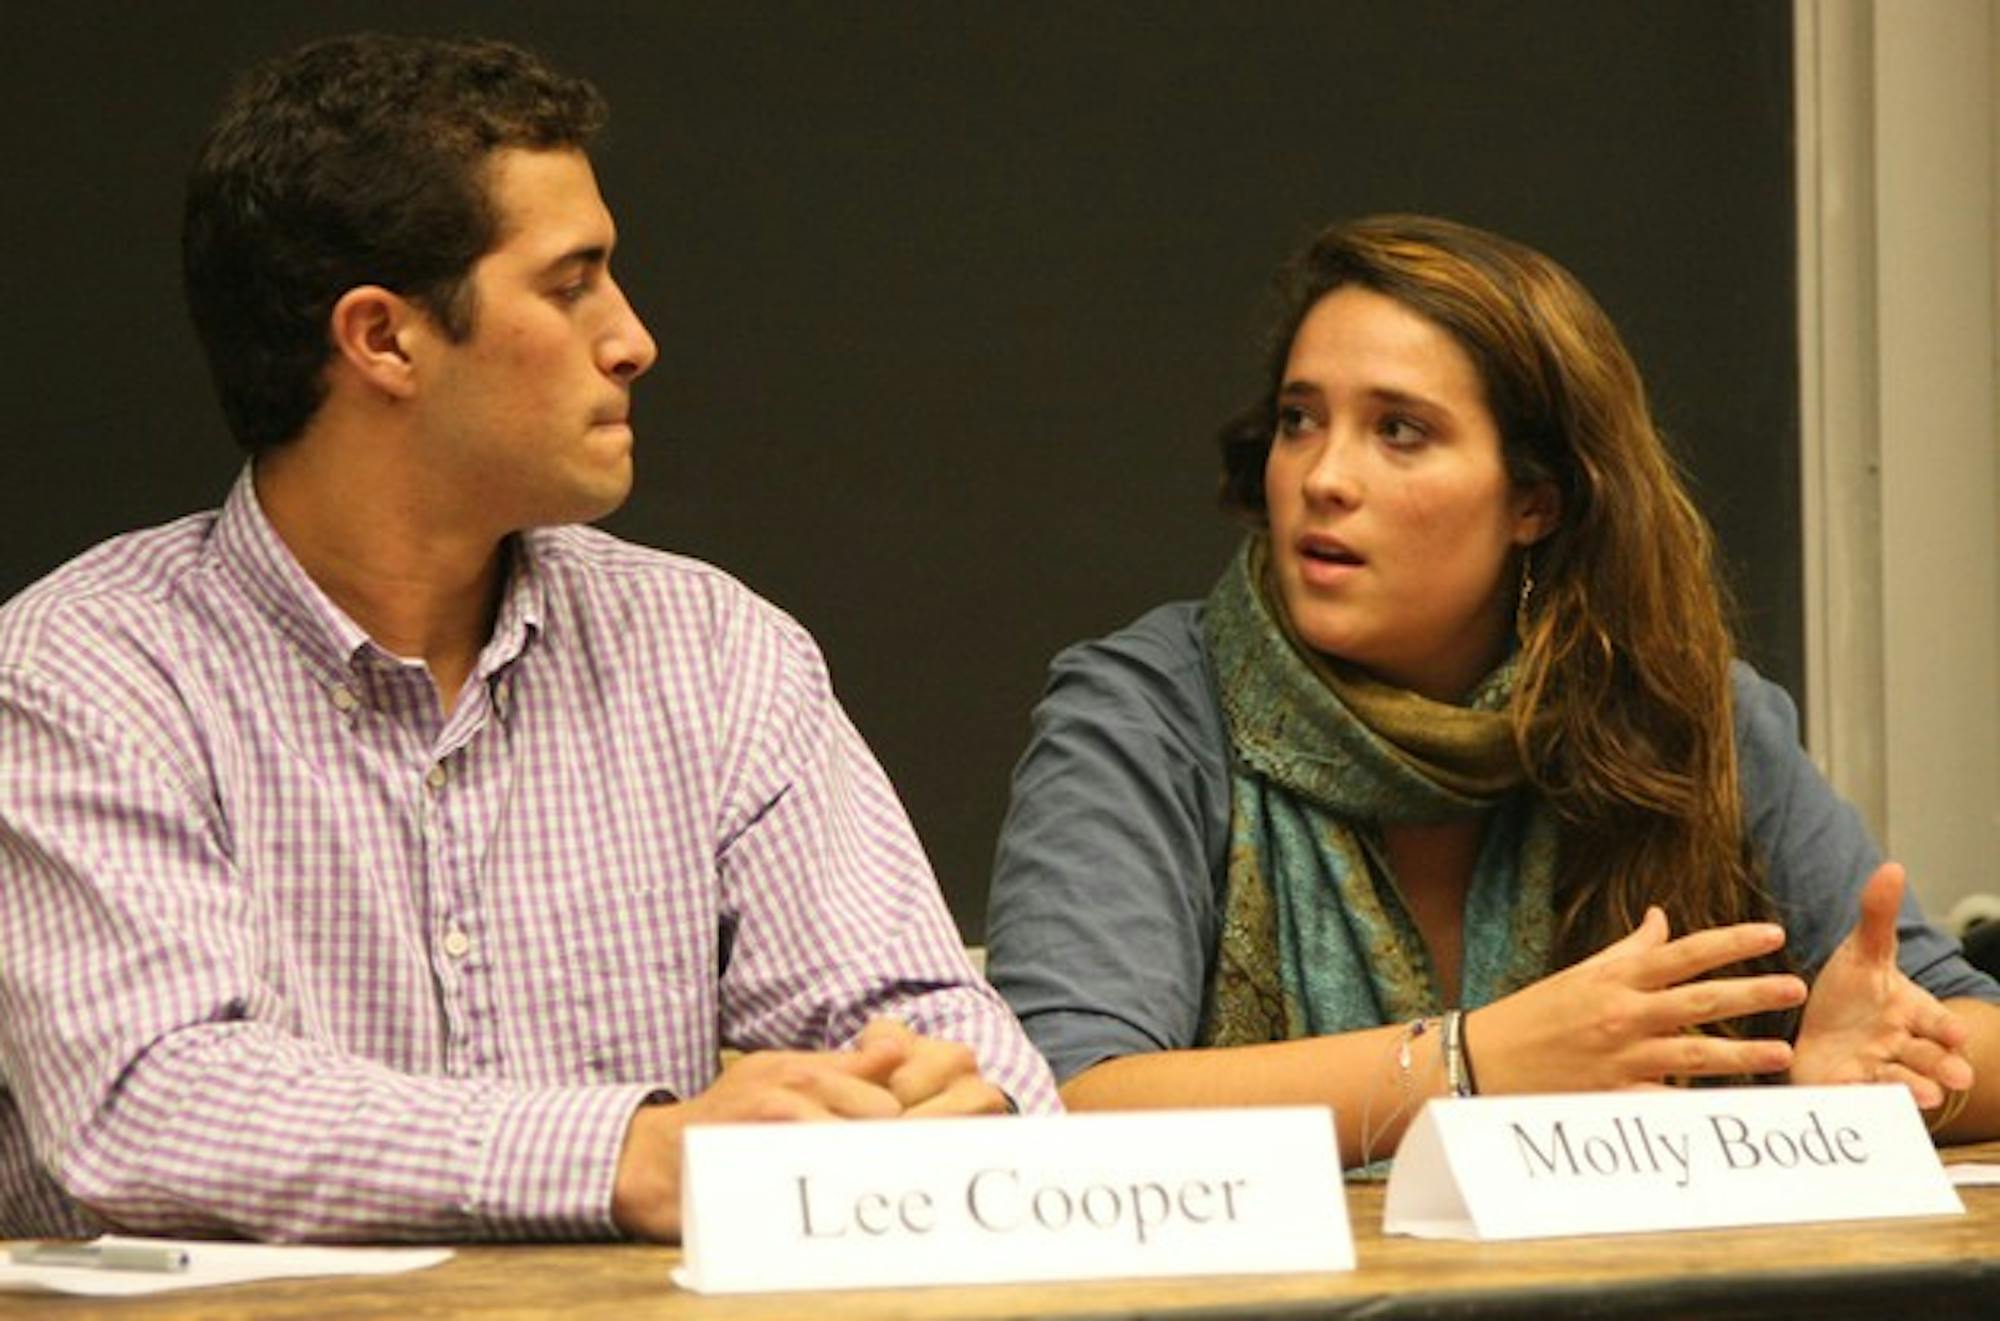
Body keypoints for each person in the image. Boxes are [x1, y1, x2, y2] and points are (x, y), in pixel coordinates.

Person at [0, 32, 1056, 1244]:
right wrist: (623, 1152)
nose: (634, 340)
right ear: (383, 339)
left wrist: (935, 1101)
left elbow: (934, 1026)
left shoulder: (711, 650)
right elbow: (146, 1102)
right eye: (570, 284)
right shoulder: (81, 673)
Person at [984, 214, 1999, 1167]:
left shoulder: (1683, 712)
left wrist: (1861, 1093)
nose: (1322, 475)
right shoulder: (1149, 709)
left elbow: (1962, 1033)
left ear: (1532, 500)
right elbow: (1067, 1100)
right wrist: (1469, 1065)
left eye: (1399, 431)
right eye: (1299, 420)